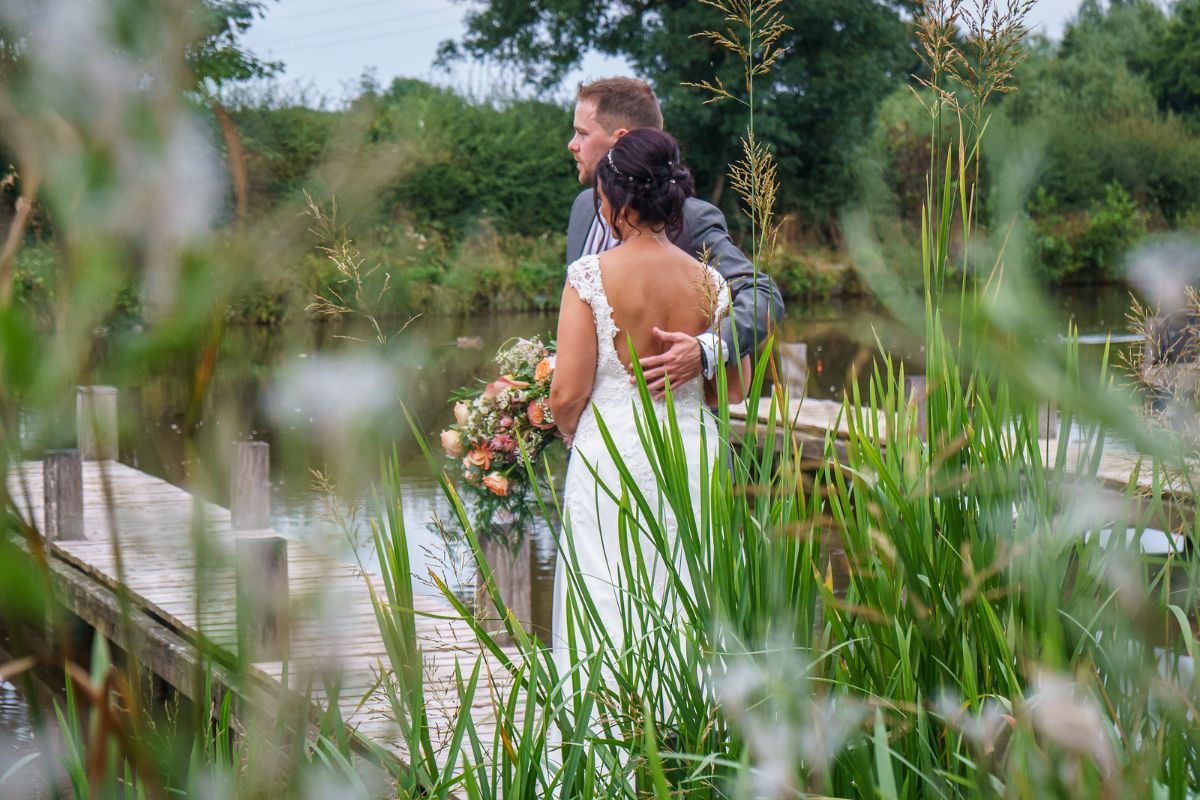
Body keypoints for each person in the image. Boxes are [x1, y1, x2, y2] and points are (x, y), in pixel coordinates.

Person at [548, 128, 750, 701]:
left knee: (605, 589)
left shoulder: (590, 277)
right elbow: (726, 391)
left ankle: (608, 741)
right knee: (688, 585)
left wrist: (572, 431)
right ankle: (687, 737)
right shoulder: (710, 281)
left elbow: (567, 392)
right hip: (691, 454)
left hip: (610, 454)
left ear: (614, 201)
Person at [566, 77, 784, 397]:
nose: (572, 144)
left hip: (675, 432)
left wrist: (706, 349)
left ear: (620, 140)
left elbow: (762, 293)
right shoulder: (583, 208)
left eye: (583, 133)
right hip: (591, 436)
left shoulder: (691, 218)